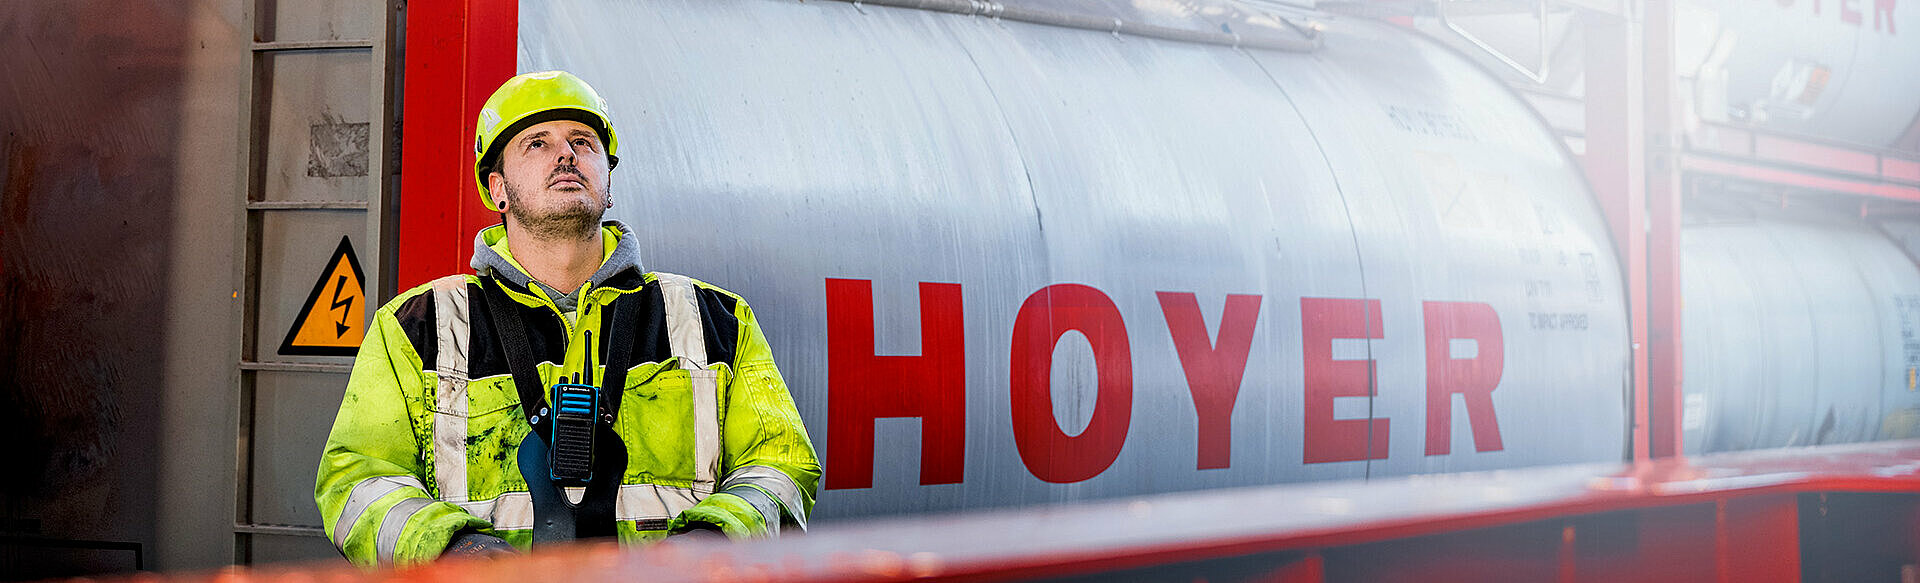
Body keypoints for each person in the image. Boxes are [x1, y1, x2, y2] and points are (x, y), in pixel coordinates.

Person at [314, 70, 819, 567]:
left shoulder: (715, 321)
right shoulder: (418, 327)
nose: (566, 154)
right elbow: (357, 480)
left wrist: (706, 548)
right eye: (537, 143)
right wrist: (457, 553)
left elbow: (780, 466)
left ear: (608, 184)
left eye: (584, 141)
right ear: (498, 189)